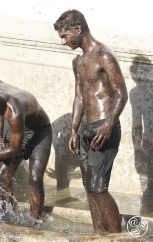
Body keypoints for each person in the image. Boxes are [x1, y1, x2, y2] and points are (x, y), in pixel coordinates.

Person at [54, 10, 127, 234]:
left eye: (65, 36)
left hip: (103, 127)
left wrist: (109, 124)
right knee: (89, 188)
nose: (63, 42)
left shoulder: (104, 55)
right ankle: (98, 234)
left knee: (99, 188)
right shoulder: (78, 61)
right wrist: (74, 129)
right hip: (85, 128)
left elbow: (122, 94)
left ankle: (115, 237)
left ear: (78, 29)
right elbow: (79, 97)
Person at [0, 82, 52, 225]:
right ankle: (6, 211)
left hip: (40, 133)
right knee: (3, 174)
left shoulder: (14, 110)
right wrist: (0, 136)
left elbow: (15, 150)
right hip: (20, 130)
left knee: (35, 178)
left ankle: (35, 222)